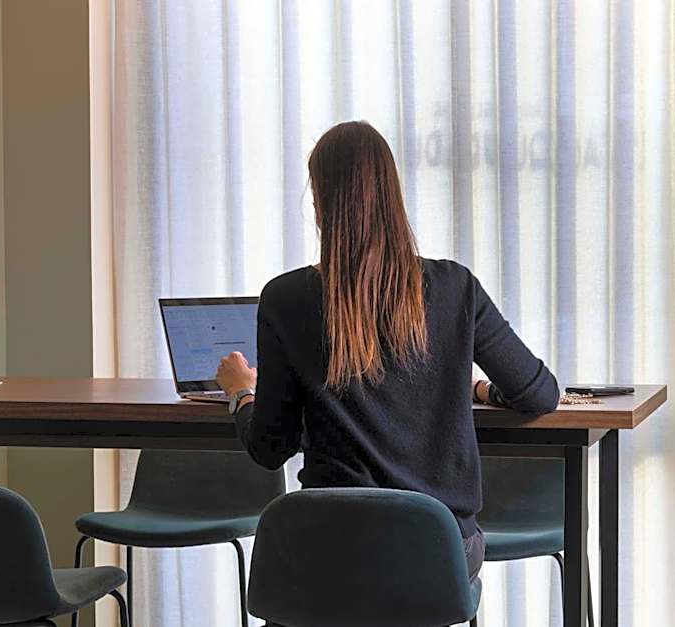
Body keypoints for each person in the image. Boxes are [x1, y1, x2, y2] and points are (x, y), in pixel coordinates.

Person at [215, 120, 559, 581]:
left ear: (320, 203)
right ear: (392, 197)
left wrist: (241, 392)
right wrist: (482, 390)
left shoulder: (285, 298)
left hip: (330, 550)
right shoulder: (455, 288)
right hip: (439, 556)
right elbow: (539, 395)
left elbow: (271, 447)